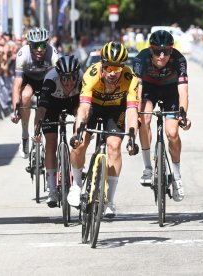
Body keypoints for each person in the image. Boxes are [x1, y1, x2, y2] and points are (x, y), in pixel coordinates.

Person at [69, 41, 139, 218]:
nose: (113, 72)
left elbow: (131, 111)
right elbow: (83, 108)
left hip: (115, 110)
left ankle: (110, 201)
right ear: (103, 64)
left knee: (114, 145)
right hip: (93, 107)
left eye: (117, 67)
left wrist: (132, 137)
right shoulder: (92, 74)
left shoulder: (130, 78)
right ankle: (76, 184)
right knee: (80, 142)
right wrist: (78, 132)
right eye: (109, 67)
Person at [133, 30, 191, 202]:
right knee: (144, 119)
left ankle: (176, 175)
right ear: (151, 50)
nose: (162, 56)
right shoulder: (141, 59)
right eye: (158, 51)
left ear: (172, 50)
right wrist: (136, 113)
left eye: (167, 51)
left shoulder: (179, 60)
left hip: (170, 91)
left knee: (172, 133)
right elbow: (138, 89)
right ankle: (148, 168)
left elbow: (183, 92)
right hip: (149, 90)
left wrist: (183, 115)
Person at [32, 56, 82, 207]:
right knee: (51, 143)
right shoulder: (50, 80)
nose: (69, 83)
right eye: (65, 79)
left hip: (73, 101)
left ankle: (77, 165)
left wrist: (81, 131)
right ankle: (52, 189)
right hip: (52, 105)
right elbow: (41, 110)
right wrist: (36, 130)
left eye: (72, 78)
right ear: (59, 76)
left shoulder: (81, 79)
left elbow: (84, 109)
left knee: (78, 138)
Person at [11, 27, 60, 158]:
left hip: (46, 79)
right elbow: (17, 84)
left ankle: (37, 133)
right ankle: (25, 135)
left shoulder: (53, 53)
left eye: (43, 45)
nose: (39, 49)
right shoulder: (23, 54)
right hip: (29, 80)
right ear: (29, 45)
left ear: (47, 43)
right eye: (35, 45)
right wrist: (15, 109)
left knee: (46, 104)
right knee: (25, 96)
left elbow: (58, 79)